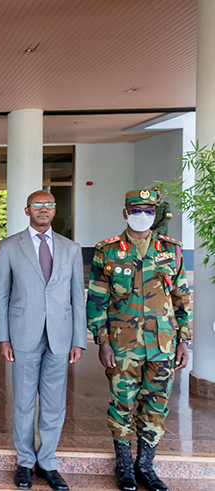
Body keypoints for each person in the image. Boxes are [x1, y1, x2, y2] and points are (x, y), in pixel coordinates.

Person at [87, 189, 191, 491]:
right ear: (125, 213)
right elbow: (96, 299)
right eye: (136, 210)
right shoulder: (107, 251)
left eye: (148, 210)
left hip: (163, 345)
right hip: (122, 346)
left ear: (155, 213)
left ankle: (145, 466)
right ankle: (124, 468)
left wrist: (184, 340)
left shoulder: (171, 250)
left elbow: (181, 297)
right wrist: (102, 340)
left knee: (156, 406)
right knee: (122, 404)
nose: (142, 215)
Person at [0, 190, 87, 491]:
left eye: (48, 205)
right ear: (26, 210)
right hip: (23, 334)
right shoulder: (8, 247)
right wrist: (3, 337)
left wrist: (78, 338)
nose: (43, 210)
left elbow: (77, 298)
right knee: (22, 402)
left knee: (54, 404)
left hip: (60, 336)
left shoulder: (71, 249)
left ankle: (47, 462)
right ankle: (24, 462)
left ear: (54, 209)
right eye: (37, 205)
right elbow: (1, 297)